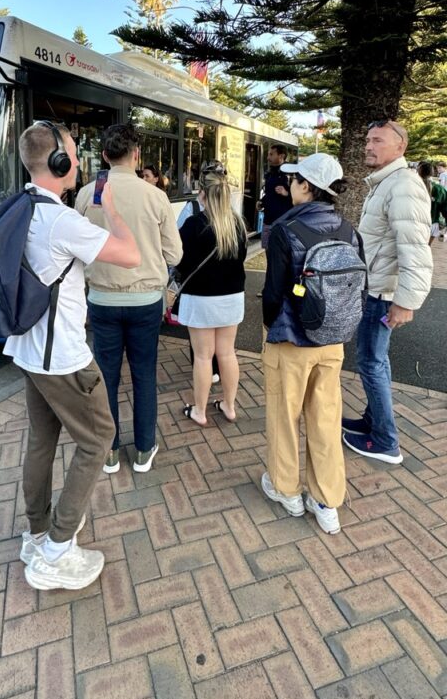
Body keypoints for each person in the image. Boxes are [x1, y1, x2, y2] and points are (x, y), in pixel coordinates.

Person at [4, 121, 140, 591]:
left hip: (26, 348)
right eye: (74, 154)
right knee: (99, 437)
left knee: (42, 439)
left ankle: (37, 532)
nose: (80, 161)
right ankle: (57, 549)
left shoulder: (19, 205)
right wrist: (113, 212)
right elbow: (129, 255)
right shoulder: (61, 220)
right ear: (58, 162)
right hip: (62, 355)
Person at [260, 153, 362, 535]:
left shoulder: (287, 230)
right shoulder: (349, 230)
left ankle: (286, 490)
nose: (289, 186)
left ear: (307, 186)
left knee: (284, 418)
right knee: (324, 417)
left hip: (291, 340)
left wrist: (270, 326)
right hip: (332, 341)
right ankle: (326, 500)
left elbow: (273, 292)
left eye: (295, 180)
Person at [75, 124, 182, 473]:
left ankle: (108, 451)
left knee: (106, 376)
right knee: (144, 373)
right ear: (136, 154)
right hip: (146, 301)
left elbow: (75, 250)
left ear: (104, 155)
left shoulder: (87, 194)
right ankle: (143, 450)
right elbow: (175, 254)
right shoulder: (155, 196)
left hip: (102, 300)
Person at [342, 120, 432, 464]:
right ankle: (372, 421)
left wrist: (405, 302)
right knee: (376, 361)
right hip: (376, 288)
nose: (368, 145)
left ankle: (385, 441)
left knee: (370, 362)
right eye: (367, 139)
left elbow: (415, 249)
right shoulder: (387, 182)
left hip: (381, 294)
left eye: (377, 140)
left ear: (400, 147)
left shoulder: (403, 185)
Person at [178, 163, 247, 426]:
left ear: (203, 194)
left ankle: (200, 410)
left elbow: (180, 261)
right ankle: (229, 406)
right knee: (227, 353)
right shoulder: (238, 225)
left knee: (204, 356)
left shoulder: (194, 224)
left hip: (200, 299)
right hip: (231, 296)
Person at [257, 145, 293, 250]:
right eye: (268, 154)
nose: (268, 158)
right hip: (268, 220)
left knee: (279, 254)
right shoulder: (270, 173)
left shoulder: (291, 173)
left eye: (271, 154)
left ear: (281, 156)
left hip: (282, 222)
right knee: (268, 251)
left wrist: (286, 193)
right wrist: (261, 202)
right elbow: (269, 194)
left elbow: (300, 198)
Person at [417, 161, 447, 244]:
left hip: (414, 224)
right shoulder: (439, 189)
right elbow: (445, 208)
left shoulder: (411, 186)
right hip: (432, 224)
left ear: (418, 171)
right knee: (426, 247)